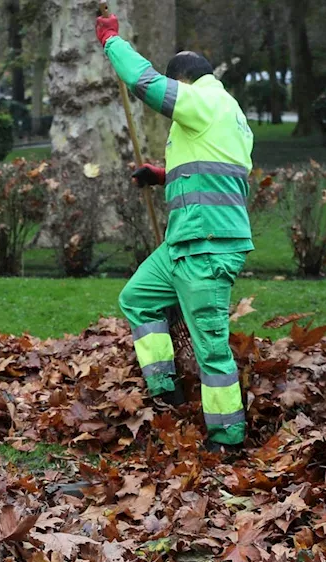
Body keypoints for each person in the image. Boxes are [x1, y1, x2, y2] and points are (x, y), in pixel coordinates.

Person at [96, 13, 255, 453]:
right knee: (139, 299)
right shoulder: (230, 116)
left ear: (184, 80)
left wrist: (112, 42)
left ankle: (227, 438)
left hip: (206, 247)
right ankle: (166, 391)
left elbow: (143, 82)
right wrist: (163, 175)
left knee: (212, 348)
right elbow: (219, 173)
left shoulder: (203, 101)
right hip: (184, 244)